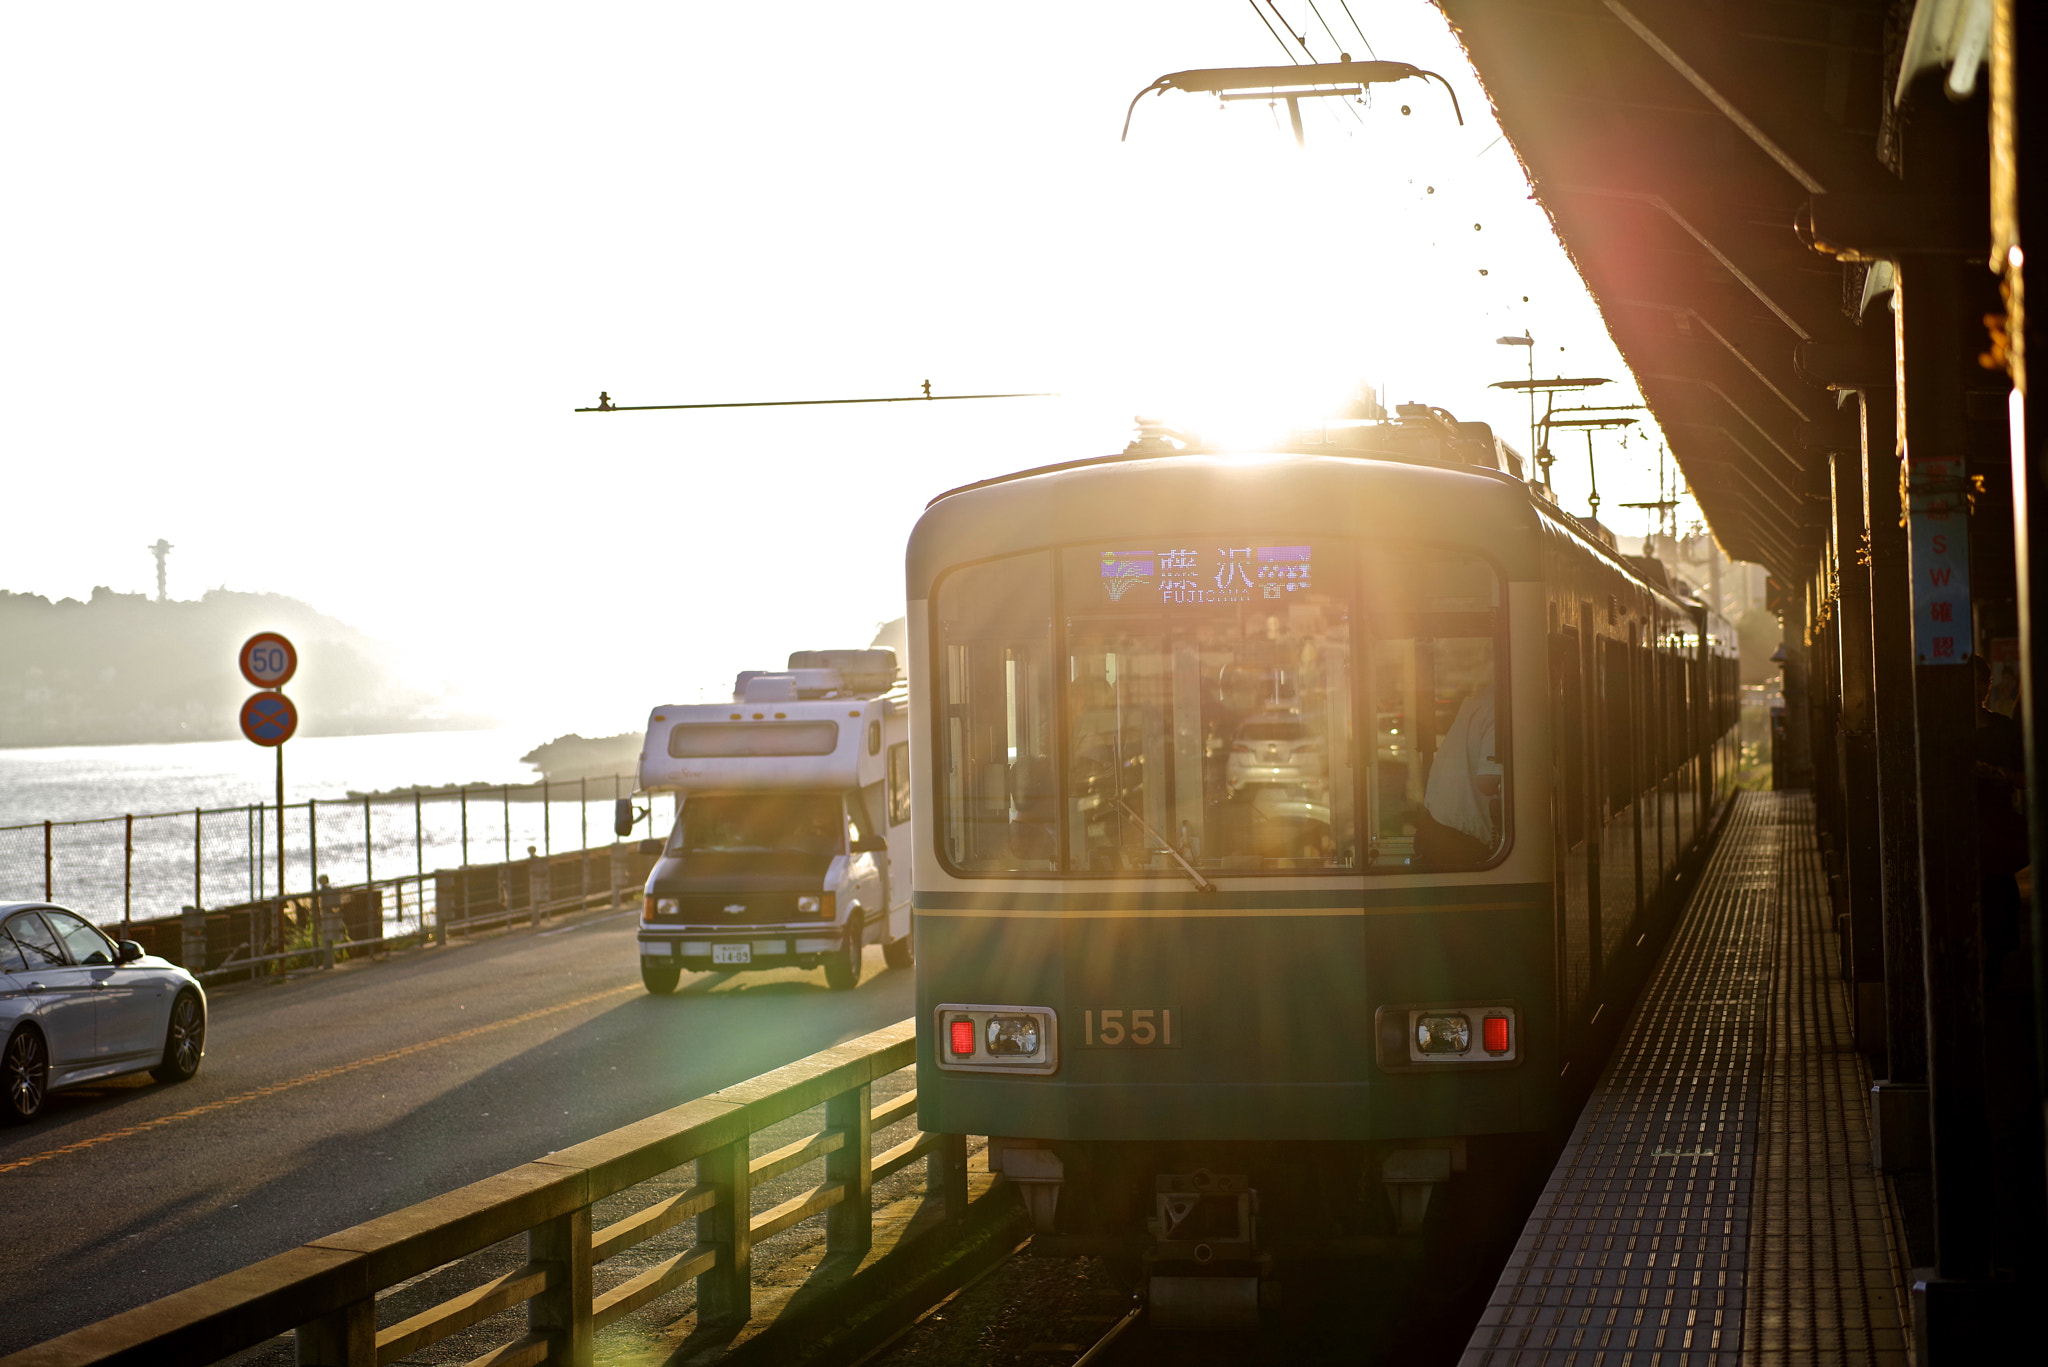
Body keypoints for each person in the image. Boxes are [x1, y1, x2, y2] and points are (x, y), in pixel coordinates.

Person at [1416, 687, 1500, 865]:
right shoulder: (1503, 710)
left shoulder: (1478, 702)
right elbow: (1488, 781)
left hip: (1436, 830)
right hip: (1459, 843)